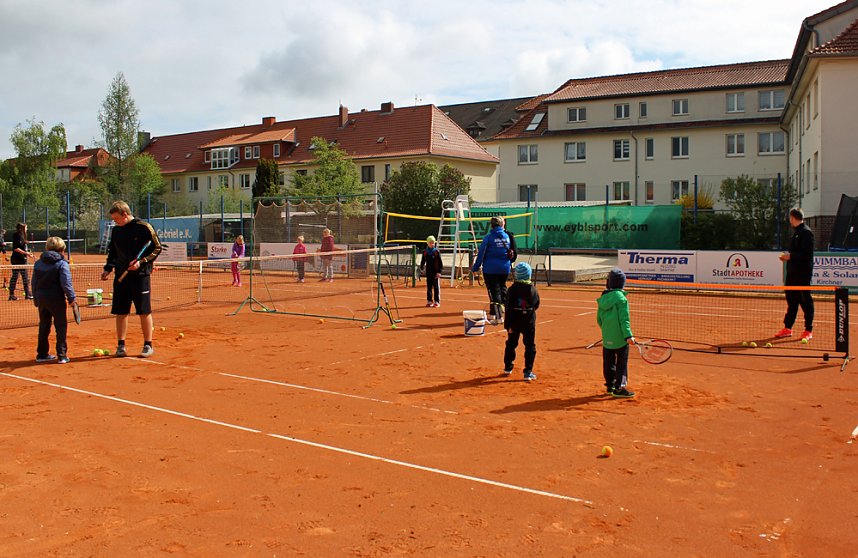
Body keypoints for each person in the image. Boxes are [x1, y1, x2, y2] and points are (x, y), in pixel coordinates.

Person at [100, 200, 162, 358]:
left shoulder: (143, 227)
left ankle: (148, 345)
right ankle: (121, 345)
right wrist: (108, 268)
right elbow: (112, 251)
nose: (115, 222)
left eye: (117, 219)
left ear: (125, 214)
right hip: (121, 277)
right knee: (121, 312)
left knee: (143, 311)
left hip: (140, 276)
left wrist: (141, 262)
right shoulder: (116, 231)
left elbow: (157, 248)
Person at [31, 237, 78, 364]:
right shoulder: (62, 264)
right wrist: (72, 298)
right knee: (61, 326)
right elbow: (66, 283)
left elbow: (34, 282)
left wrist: (36, 298)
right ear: (62, 250)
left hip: (42, 299)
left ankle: (41, 354)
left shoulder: (38, 263)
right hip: (56, 299)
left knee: (44, 326)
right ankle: (62, 355)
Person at [776, 208, 815, 341]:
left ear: (793, 218)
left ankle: (808, 330)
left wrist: (790, 256)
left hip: (802, 274)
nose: (789, 220)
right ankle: (787, 328)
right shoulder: (796, 233)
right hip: (792, 273)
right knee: (791, 300)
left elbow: (806, 255)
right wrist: (788, 257)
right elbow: (795, 253)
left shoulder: (806, 233)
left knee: (805, 301)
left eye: (790, 218)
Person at [597, 268, 636, 398]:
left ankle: (610, 386)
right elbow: (624, 320)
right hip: (621, 339)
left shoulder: (603, 297)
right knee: (622, 364)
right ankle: (620, 388)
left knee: (608, 362)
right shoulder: (622, 299)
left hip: (607, 337)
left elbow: (599, 319)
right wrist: (628, 335)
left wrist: (607, 331)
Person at [503, 262, 540, 381]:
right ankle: (528, 371)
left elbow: (507, 307)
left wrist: (507, 325)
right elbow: (536, 304)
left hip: (514, 322)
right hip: (528, 322)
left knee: (511, 343)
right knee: (530, 346)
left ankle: (508, 366)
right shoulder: (533, 289)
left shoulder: (512, 289)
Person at [472, 216, 512, 323]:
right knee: (503, 289)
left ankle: (499, 317)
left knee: (494, 292)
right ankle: (499, 314)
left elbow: (481, 254)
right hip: (504, 268)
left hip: (491, 269)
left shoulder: (489, 237)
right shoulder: (507, 236)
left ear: (492, 225)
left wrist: (475, 267)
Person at [9, 222, 35, 300]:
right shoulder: (18, 236)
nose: (27, 229)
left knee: (20, 277)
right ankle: (26, 294)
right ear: (21, 228)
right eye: (26, 228)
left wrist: (27, 251)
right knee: (23, 277)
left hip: (18, 258)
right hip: (18, 259)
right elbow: (16, 248)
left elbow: (21, 247)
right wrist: (26, 253)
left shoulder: (21, 236)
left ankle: (24, 294)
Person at [420, 235, 443, 307]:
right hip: (428, 272)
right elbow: (423, 261)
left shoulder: (436, 252)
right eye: (430, 242)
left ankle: (437, 301)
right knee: (429, 287)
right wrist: (421, 268)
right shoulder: (425, 252)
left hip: (435, 272)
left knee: (436, 287)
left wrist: (439, 272)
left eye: (433, 242)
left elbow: (440, 263)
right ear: (427, 243)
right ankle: (429, 301)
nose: (432, 244)